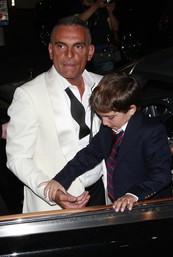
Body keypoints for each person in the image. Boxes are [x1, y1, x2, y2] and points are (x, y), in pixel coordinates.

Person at [6, 15, 107, 213]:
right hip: (54, 202)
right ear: (51, 50)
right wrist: (51, 191)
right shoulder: (29, 94)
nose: (69, 54)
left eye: (78, 46)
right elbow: (17, 158)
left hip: (103, 193)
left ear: (90, 52)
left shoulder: (104, 85)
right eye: (61, 46)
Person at [43, 72, 172, 212]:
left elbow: (161, 174)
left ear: (131, 109)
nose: (104, 122)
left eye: (110, 116)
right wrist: (60, 179)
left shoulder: (151, 130)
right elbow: (88, 155)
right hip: (117, 207)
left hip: (147, 209)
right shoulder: (108, 128)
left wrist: (133, 195)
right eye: (101, 116)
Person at [71, 0, 121, 74]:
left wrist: (110, 12)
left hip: (105, 51)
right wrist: (96, 5)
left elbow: (115, 27)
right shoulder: (78, 6)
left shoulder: (102, 7)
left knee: (109, 79)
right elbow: (77, 21)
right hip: (86, 53)